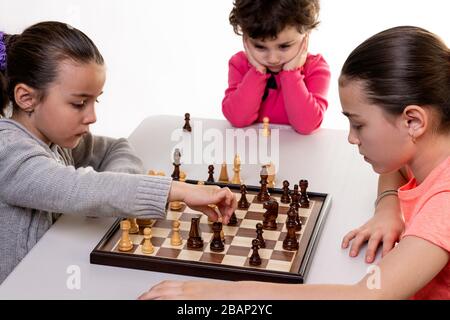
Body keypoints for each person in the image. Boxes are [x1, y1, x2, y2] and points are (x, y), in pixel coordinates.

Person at [139, 26, 450, 300]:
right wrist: (387, 206)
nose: (352, 138)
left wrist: (226, 293)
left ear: (412, 121)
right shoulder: (430, 148)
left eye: (359, 124)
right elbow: (398, 166)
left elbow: (367, 296)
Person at [0, 22, 237, 284]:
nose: (91, 117)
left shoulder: (54, 138)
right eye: (79, 103)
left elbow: (116, 148)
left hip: (58, 271)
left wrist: (114, 194)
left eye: (94, 101)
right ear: (26, 98)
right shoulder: (7, 151)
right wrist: (177, 190)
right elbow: (77, 189)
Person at [222, 0, 330, 135]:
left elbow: (307, 125)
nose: (273, 59)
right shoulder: (239, 64)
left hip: (296, 153)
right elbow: (238, 119)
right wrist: (257, 72)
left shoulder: (316, 68)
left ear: (305, 36)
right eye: (259, 47)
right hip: (253, 150)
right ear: (246, 39)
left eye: (284, 46)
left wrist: (291, 73)